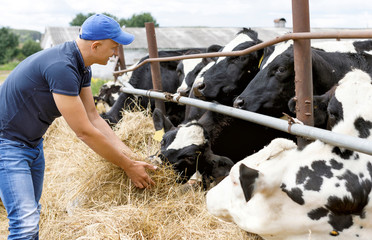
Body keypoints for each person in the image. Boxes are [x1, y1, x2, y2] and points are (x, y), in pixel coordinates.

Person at [0, 13, 157, 239]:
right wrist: (126, 165)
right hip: (8, 145)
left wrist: (130, 156)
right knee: (24, 222)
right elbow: (84, 131)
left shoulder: (82, 66)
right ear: (95, 45)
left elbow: (94, 117)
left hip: (31, 144)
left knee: (31, 215)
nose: (116, 53)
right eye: (114, 47)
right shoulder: (62, 67)